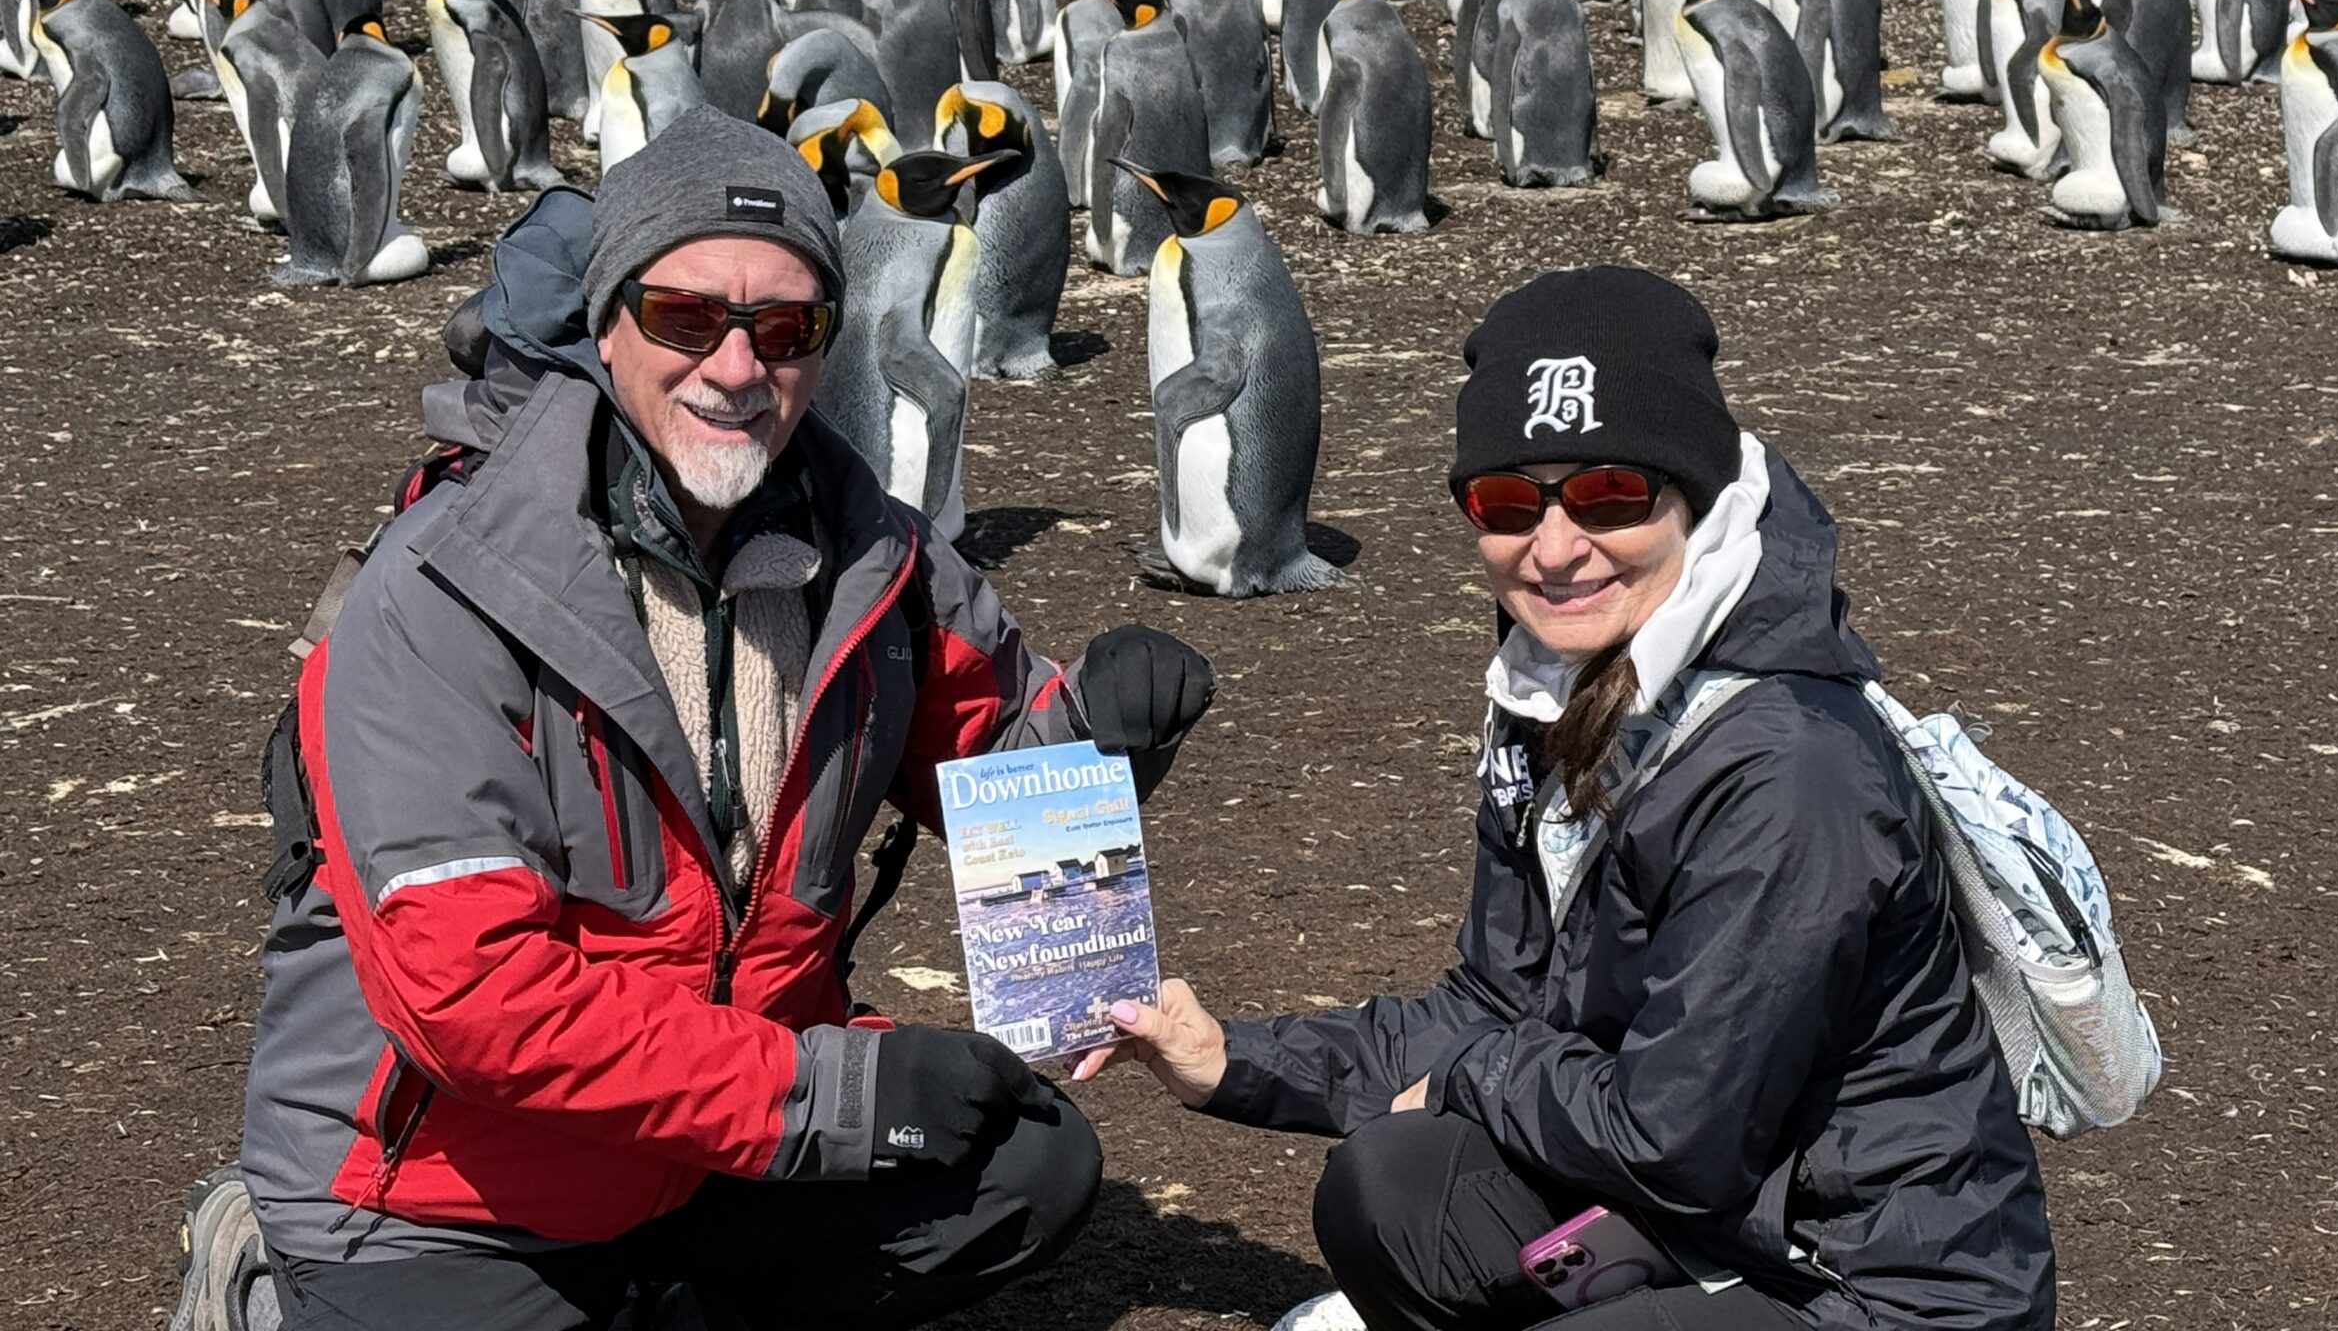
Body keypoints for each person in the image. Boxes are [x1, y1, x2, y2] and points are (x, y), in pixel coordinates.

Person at [181, 110, 1215, 1331]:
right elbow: (472, 999)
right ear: (607, 324)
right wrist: (829, 1089)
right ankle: (261, 1272)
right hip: (448, 1184)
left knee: (1023, 1166)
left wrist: (1097, 733)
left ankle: (655, 1294)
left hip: (723, 1139)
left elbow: (986, 763)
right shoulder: (449, 588)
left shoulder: (867, 551)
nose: (736, 368)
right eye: (686, 317)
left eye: (785, 328)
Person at [1080, 265, 2055, 1331]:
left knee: (1446, 1141)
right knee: (1394, 1186)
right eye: (1505, 502)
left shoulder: (1788, 766)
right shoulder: (1557, 692)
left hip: (1870, 1284)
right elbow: (1494, 1010)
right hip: (1712, 1226)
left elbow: (1673, 1140)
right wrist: (1232, 1064)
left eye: (1608, 495)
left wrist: (1472, 1079)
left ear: (1694, 493)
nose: (1551, 549)